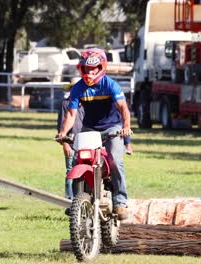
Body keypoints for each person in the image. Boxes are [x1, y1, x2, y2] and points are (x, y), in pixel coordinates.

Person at [56, 48, 133, 220]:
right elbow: (71, 115)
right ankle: (77, 201)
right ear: (81, 69)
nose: (90, 72)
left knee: (115, 159)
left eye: (94, 68)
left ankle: (120, 202)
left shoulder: (110, 85)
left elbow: (123, 109)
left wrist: (126, 127)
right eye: (86, 69)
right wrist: (63, 132)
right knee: (78, 160)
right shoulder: (78, 88)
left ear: (101, 67)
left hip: (112, 127)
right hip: (89, 128)